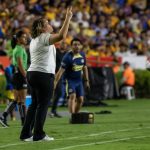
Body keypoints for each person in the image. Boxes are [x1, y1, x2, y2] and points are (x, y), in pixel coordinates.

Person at [20, 7, 72, 142]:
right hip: (42, 74)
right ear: (42, 28)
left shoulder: (35, 39)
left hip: (32, 73)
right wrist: (67, 18)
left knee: (34, 105)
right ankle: (39, 134)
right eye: (47, 23)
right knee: (43, 105)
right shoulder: (44, 37)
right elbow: (61, 36)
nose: (50, 25)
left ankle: (26, 134)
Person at [54, 38, 90, 114]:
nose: (76, 46)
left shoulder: (82, 55)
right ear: (71, 46)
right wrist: (55, 83)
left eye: (78, 44)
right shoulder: (67, 57)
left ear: (81, 46)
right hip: (69, 81)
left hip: (79, 81)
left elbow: (85, 67)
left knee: (80, 99)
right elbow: (60, 72)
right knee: (72, 96)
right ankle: (72, 116)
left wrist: (87, 81)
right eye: (74, 45)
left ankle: (75, 116)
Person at [0, 30, 28, 127]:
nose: (26, 39)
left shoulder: (18, 48)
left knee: (17, 99)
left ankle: (4, 116)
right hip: (20, 74)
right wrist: (26, 76)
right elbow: (20, 64)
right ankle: (24, 121)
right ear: (18, 39)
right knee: (22, 100)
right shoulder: (19, 49)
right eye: (24, 37)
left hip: (16, 75)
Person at [49, 41, 68, 118]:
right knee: (55, 92)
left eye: (65, 43)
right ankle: (52, 111)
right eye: (62, 43)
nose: (63, 45)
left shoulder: (66, 54)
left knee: (58, 93)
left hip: (62, 75)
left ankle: (53, 111)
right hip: (54, 74)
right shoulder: (55, 52)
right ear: (59, 44)